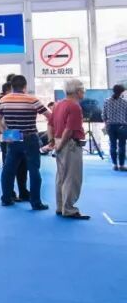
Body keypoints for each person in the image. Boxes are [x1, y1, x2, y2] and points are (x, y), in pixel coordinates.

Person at [0, 75, 52, 210]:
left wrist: (6, 134)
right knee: (34, 170)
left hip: (13, 136)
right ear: (25, 87)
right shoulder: (32, 100)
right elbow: (50, 116)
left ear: (12, 86)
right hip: (30, 137)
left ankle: (6, 199)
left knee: (8, 170)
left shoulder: (3, 100)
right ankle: (36, 202)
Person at [48, 78, 89, 220]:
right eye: (83, 90)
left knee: (61, 177)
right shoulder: (74, 107)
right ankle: (69, 209)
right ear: (78, 91)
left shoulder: (58, 105)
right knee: (72, 178)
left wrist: (53, 142)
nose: (84, 92)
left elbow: (50, 125)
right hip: (70, 144)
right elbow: (69, 129)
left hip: (60, 141)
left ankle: (61, 207)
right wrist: (59, 146)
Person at [0, 74, 29, 202]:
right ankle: (9, 194)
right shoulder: (4, 100)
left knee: (22, 165)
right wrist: (7, 135)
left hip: (15, 134)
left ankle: (22, 191)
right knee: (10, 167)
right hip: (10, 135)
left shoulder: (8, 99)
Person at [103, 84, 127, 171]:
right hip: (122, 126)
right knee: (122, 146)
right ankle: (121, 165)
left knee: (112, 145)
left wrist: (106, 123)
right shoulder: (125, 102)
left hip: (111, 126)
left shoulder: (107, 101)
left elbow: (103, 115)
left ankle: (114, 165)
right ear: (121, 92)